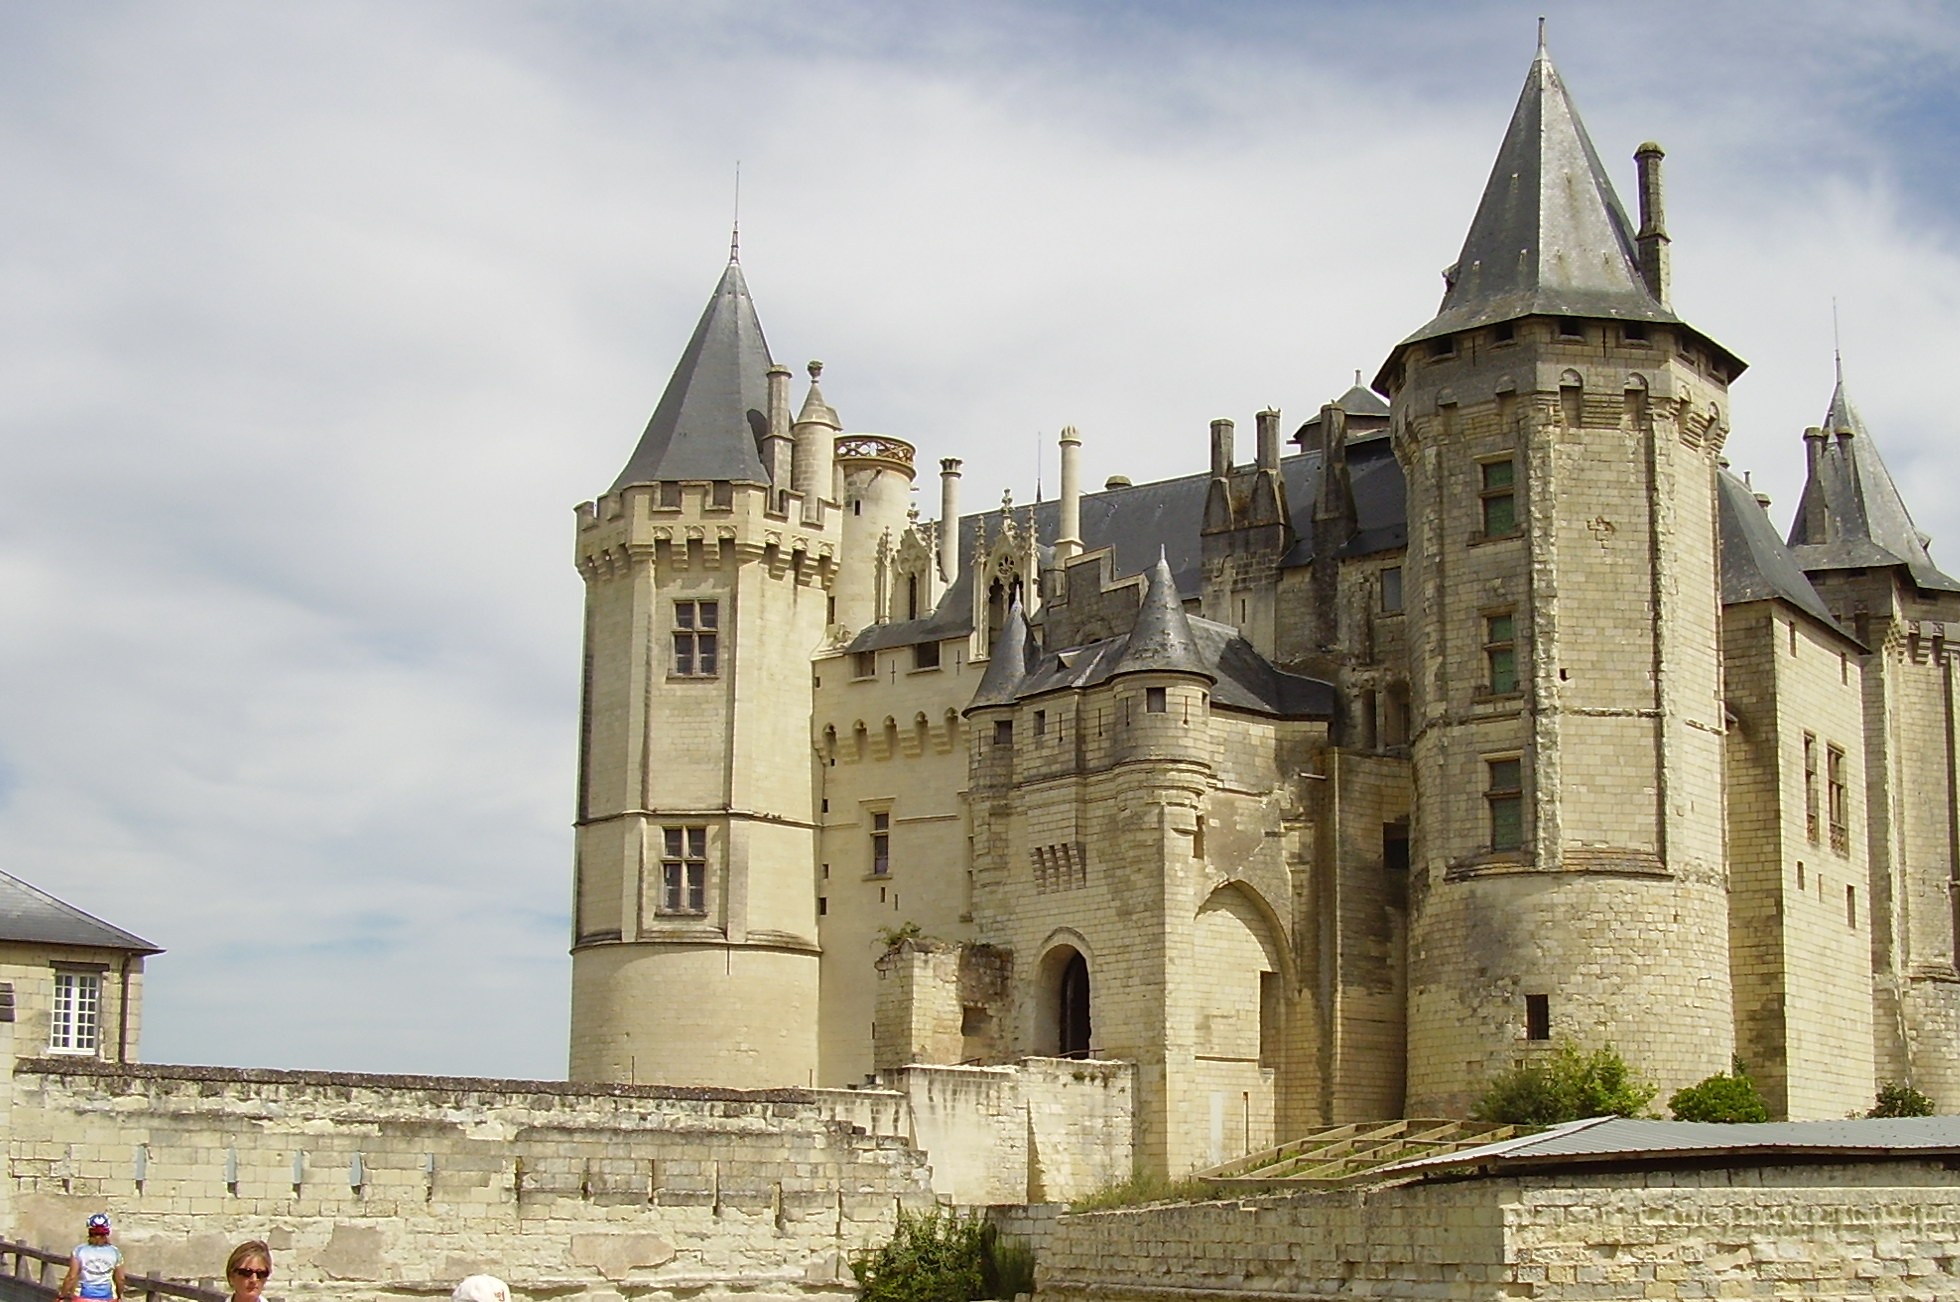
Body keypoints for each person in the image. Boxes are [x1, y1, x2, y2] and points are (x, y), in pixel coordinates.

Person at [58, 1213, 125, 1302]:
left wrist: (62, 1295)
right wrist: (120, 1295)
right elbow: (120, 1279)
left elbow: (71, 1277)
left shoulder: (79, 1251)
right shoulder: (115, 1252)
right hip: (108, 1298)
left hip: (83, 1297)